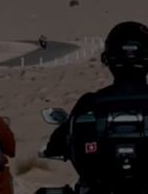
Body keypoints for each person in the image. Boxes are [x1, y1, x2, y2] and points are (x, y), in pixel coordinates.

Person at [43, 21, 148, 190]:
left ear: (109, 58)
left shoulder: (90, 102)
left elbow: (57, 142)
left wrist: (53, 147)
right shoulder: (90, 102)